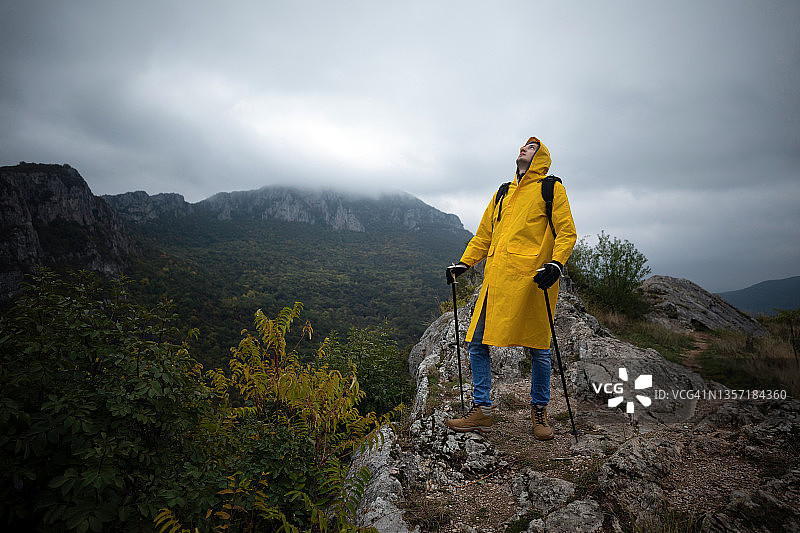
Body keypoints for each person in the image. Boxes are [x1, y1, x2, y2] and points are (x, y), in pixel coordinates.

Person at [444, 136, 577, 440]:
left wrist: (556, 265)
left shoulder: (551, 188)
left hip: (532, 280)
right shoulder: (503, 192)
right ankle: (482, 410)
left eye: (531, 147)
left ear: (540, 157)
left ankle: (539, 410)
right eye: (522, 146)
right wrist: (464, 264)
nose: (523, 149)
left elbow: (567, 232)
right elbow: (483, 235)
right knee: (477, 342)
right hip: (497, 281)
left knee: (540, 349)